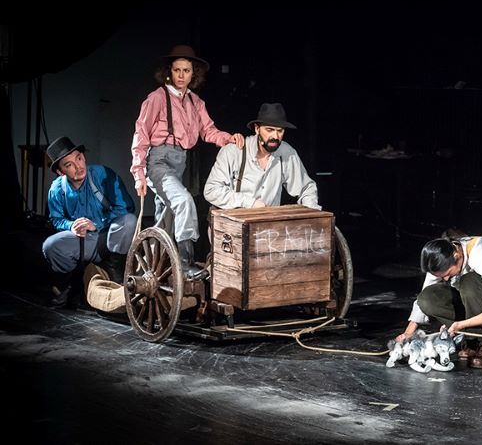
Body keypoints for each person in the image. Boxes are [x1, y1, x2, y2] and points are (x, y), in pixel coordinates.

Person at [130, 44, 245, 278]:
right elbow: (141, 135)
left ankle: (149, 271)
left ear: (194, 74)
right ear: (169, 72)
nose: (181, 75)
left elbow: (208, 131)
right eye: (177, 70)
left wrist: (228, 138)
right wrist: (138, 173)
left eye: (186, 70)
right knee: (183, 201)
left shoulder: (195, 102)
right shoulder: (157, 98)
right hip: (158, 161)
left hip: (180, 162)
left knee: (167, 218)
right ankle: (184, 264)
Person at [396, 235, 482, 369]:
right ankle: (471, 342)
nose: (446, 279)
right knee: (426, 298)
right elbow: (424, 295)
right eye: (442, 276)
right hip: (470, 302)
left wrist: (461, 324)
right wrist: (408, 333)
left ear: (457, 256)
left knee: (468, 282)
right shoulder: (441, 257)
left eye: (448, 273)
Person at [43, 136, 137, 307]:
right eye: (69, 165)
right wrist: (71, 226)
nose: (78, 166)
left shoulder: (102, 175)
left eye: (79, 158)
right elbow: (56, 220)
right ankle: (73, 284)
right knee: (51, 246)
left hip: (109, 237)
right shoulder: (57, 189)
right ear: (61, 171)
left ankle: (114, 271)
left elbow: (126, 207)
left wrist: (97, 224)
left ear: (84, 157)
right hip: (85, 242)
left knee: (129, 221)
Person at [203, 102, 320, 210]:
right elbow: (211, 190)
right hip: (235, 222)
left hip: (268, 223)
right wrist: (249, 203)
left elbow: (306, 188)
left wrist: (311, 215)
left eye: (280, 131)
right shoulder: (234, 151)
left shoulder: (286, 152)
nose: (275, 136)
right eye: (269, 130)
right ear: (257, 129)